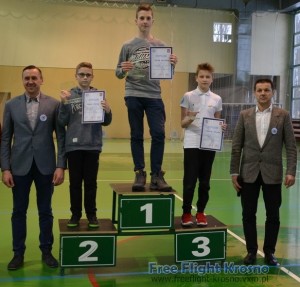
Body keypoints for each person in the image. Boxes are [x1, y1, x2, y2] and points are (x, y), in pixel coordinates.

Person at [1, 65, 66, 270]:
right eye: (27, 78)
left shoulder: (54, 104)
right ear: (23, 81)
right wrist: (5, 168)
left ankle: (46, 250)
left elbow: (61, 138)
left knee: (45, 211)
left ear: (41, 80)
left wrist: (60, 166)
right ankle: (18, 253)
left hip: (46, 167)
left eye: (34, 78)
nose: (30, 81)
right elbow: (5, 139)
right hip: (19, 166)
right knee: (18, 212)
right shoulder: (11, 105)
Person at [230, 78, 297, 266]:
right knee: (248, 214)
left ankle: (269, 253)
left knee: (273, 216)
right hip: (248, 172)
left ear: (272, 92)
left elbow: (291, 147)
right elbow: (236, 147)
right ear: (254, 92)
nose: (262, 93)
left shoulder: (282, 115)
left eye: (266, 90)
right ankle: (251, 251)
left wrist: (291, 171)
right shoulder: (245, 115)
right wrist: (234, 172)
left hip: (273, 174)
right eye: (259, 90)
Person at [115, 4, 178, 192]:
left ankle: (156, 175)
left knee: (158, 134)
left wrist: (173, 64)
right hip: (133, 93)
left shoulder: (160, 46)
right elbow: (118, 72)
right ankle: (139, 172)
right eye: (141, 18)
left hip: (154, 95)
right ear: (136, 21)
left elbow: (167, 74)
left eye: (148, 18)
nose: (144, 21)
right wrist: (122, 70)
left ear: (152, 21)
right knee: (136, 134)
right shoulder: (127, 46)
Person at [58, 62, 112, 228]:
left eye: (88, 75)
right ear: (76, 76)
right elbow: (62, 121)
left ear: (92, 77)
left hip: (92, 146)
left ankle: (91, 214)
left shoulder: (98, 96)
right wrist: (63, 104)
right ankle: (75, 214)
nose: (85, 77)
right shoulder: (69, 96)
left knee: (90, 183)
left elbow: (107, 122)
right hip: (74, 147)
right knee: (75, 184)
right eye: (81, 74)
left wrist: (108, 110)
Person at [180, 63, 226, 227]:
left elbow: (217, 121)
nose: (204, 79)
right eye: (201, 76)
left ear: (212, 79)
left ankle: (200, 212)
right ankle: (186, 213)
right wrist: (190, 118)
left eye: (208, 76)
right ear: (196, 78)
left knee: (205, 182)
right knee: (190, 181)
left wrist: (221, 127)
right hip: (192, 143)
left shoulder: (217, 99)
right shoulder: (188, 96)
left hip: (209, 144)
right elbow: (182, 124)